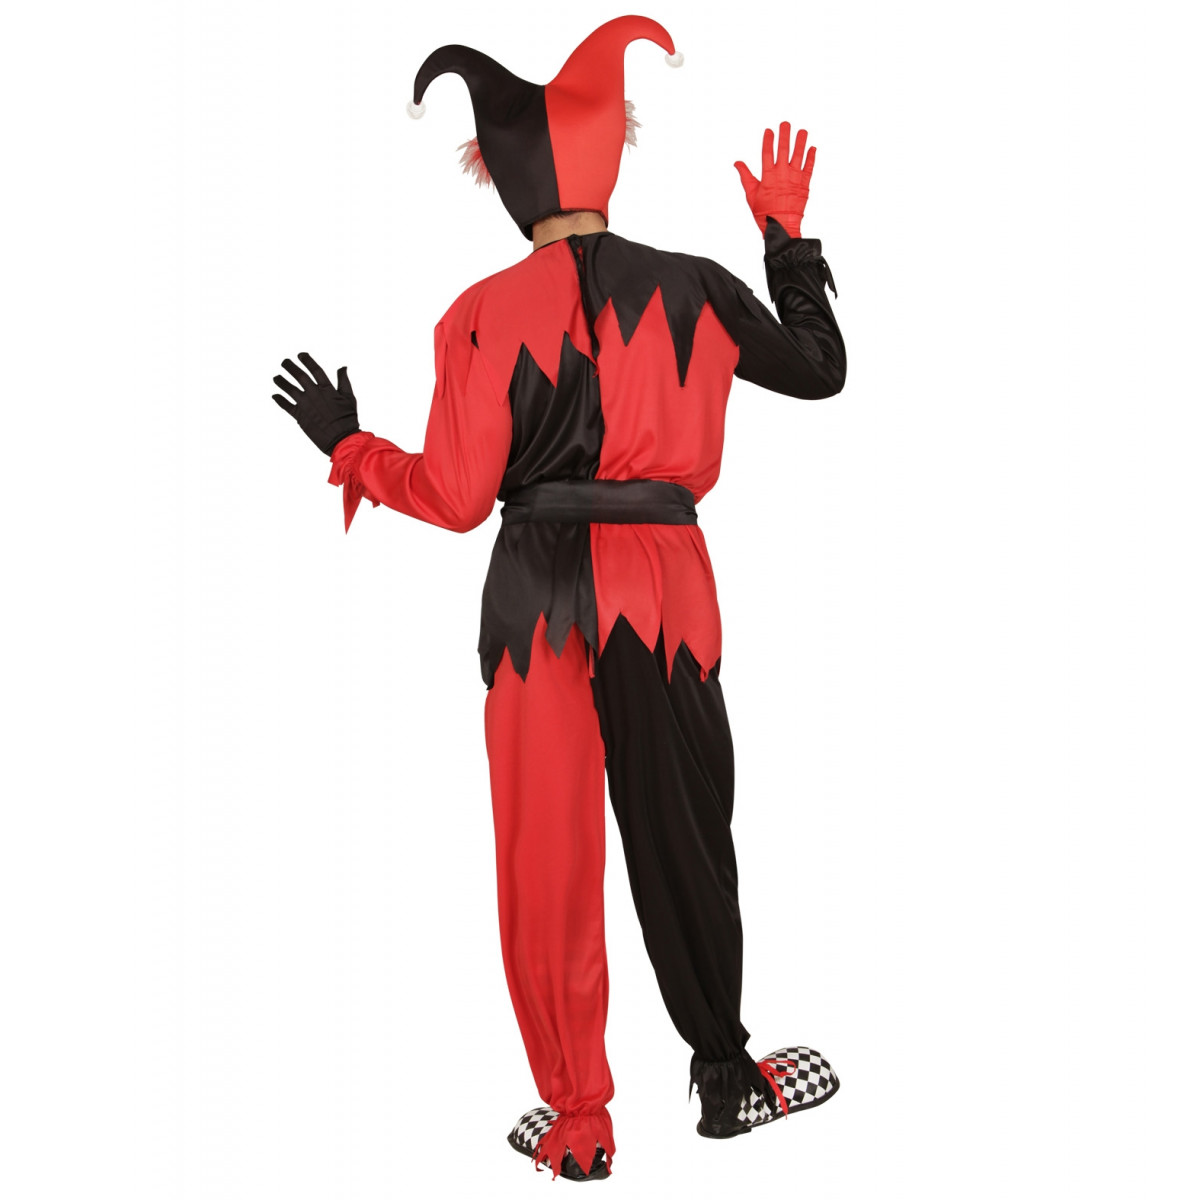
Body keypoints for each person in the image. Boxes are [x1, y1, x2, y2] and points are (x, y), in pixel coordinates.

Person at [270, 15, 846, 1183]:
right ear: (604, 160)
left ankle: (579, 1123)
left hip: (534, 594)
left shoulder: (478, 314)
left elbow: (453, 496)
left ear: (508, 181)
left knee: (545, 849)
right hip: (661, 585)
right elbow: (820, 370)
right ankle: (728, 1077)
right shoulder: (694, 288)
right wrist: (784, 242)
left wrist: (349, 447)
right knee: (682, 828)